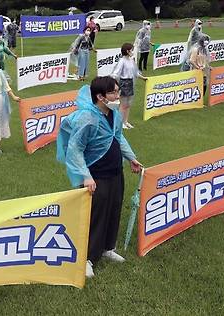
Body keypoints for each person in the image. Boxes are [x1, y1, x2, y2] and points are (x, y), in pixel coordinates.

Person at [56, 77, 143, 278]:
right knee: (96, 216)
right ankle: (88, 258)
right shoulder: (88, 118)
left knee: (114, 209)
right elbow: (75, 149)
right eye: (113, 92)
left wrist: (131, 158)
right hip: (97, 176)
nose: (117, 95)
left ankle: (107, 248)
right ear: (100, 97)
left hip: (115, 172)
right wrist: (85, 176)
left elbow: (118, 138)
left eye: (117, 91)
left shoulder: (114, 115)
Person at [111, 43, 147, 129]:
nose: (132, 51)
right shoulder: (122, 61)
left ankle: (125, 121)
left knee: (128, 104)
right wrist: (112, 82)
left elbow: (135, 72)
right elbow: (116, 73)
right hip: (124, 83)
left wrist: (143, 78)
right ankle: (120, 123)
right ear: (127, 51)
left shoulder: (131, 60)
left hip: (130, 82)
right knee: (123, 104)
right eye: (131, 50)